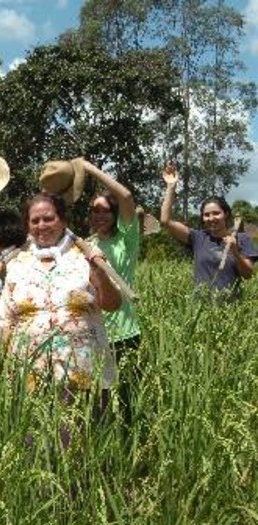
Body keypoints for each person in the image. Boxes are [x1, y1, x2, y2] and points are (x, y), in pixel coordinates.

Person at [0, 193, 121, 445]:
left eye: (48, 218)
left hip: (83, 370)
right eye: (35, 220)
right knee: (36, 447)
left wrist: (99, 274)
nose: (42, 226)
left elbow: (113, 304)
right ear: (27, 225)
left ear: (62, 220)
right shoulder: (18, 264)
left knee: (83, 448)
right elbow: (4, 319)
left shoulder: (85, 257)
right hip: (28, 373)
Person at [83, 159, 141, 427]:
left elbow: (126, 196)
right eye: (94, 211)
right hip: (94, 331)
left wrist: (89, 169)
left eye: (105, 210)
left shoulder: (126, 238)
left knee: (129, 403)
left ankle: (134, 455)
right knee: (99, 403)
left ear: (116, 213)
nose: (99, 216)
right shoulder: (87, 245)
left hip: (125, 333)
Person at [160, 164, 256, 300]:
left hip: (231, 310)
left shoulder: (242, 239)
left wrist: (235, 251)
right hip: (201, 309)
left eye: (216, 213)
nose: (211, 218)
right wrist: (171, 186)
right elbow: (165, 221)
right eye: (206, 215)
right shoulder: (197, 238)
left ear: (226, 214)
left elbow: (247, 275)